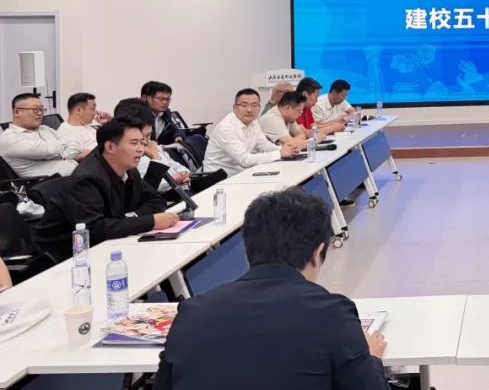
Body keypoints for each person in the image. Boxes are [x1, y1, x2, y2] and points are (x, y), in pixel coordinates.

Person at [151, 188, 396, 390]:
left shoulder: (192, 313)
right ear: (318, 252)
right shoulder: (332, 313)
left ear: (247, 251)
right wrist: (371, 359)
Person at [33, 116, 176, 261]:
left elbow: (156, 200)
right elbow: (94, 229)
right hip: (65, 257)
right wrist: (149, 222)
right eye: (134, 143)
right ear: (110, 147)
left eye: (142, 143)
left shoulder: (128, 169)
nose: (141, 149)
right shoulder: (87, 179)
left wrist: (131, 218)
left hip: (107, 246)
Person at [203, 89, 299, 176]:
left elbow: (265, 147)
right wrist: (279, 154)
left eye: (254, 105)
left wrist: (286, 150)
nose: (249, 110)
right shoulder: (227, 128)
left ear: (259, 107)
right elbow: (245, 160)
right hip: (218, 179)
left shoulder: (253, 123)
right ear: (234, 107)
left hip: (240, 174)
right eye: (244, 105)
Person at [0, 93, 87, 177]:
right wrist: (64, 150)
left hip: (76, 174)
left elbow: (75, 143)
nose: (40, 113)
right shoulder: (8, 139)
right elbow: (49, 151)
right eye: (35, 109)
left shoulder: (44, 128)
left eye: (41, 109)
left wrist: (60, 155)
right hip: (48, 183)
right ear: (17, 112)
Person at [259, 91, 323, 147]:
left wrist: (293, 142)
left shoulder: (289, 118)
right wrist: (314, 140)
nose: (300, 114)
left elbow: (302, 135)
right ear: (288, 108)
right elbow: (292, 145)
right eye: (299, 111)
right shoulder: (272, 119)